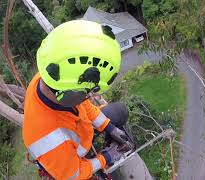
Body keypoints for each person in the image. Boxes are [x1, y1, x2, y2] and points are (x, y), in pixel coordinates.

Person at [22, 20, 130, 179]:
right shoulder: (46, 137)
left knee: (120, 111)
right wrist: (105, 158)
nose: (90, 97)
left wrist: (109, 127)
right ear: (70, 94)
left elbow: (84, 104)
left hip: (81, 132)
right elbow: (74, 174)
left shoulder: (54, 78)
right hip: (70, 161)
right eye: (88, 92)